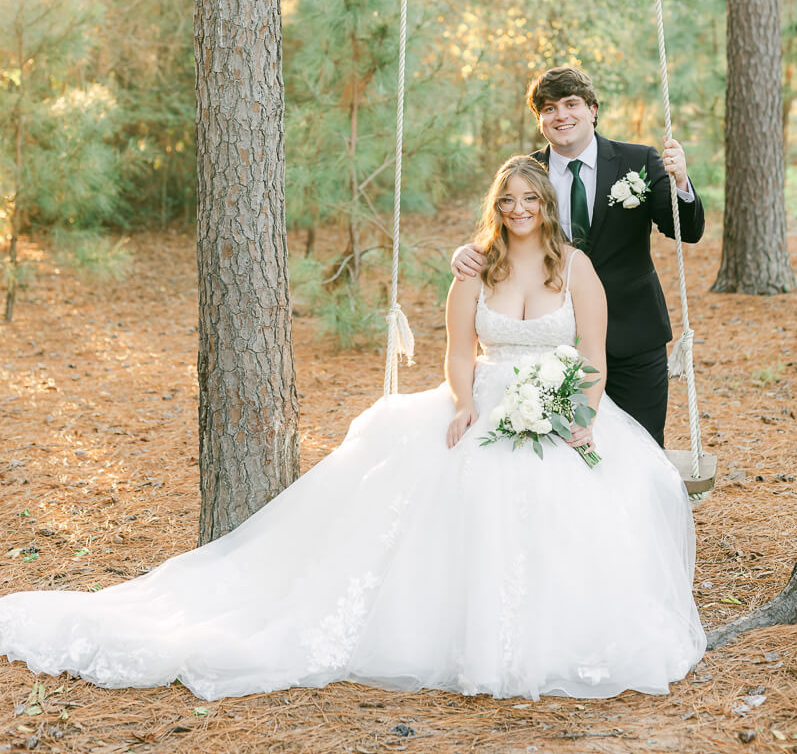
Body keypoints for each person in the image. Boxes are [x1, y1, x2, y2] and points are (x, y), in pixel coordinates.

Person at [0, 157, 705, 701]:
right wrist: (465, 404)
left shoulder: (576, 268)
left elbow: (592, 355)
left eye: (530, 200)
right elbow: (459, 352)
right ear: (497, 208)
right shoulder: (474, 269)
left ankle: (550, 638)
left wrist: (578, 419)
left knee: (574, 505)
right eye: (508, 201)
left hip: (560, 407)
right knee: (453, 499)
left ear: (546, 206)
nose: (520, 210)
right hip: (486, 402)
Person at [451, 66, 705, 447]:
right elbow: (504, 224)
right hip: (552, 346)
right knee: (559, 455)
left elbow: (687, 229)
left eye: (571, 104)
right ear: (540, 121)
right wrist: (465, 252)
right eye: (549, 108)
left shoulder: (637, 161)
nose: (561, 115)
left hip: (630, 334)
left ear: (592, 109)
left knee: (638, 450)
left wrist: (681, 182)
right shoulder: (527, 172)